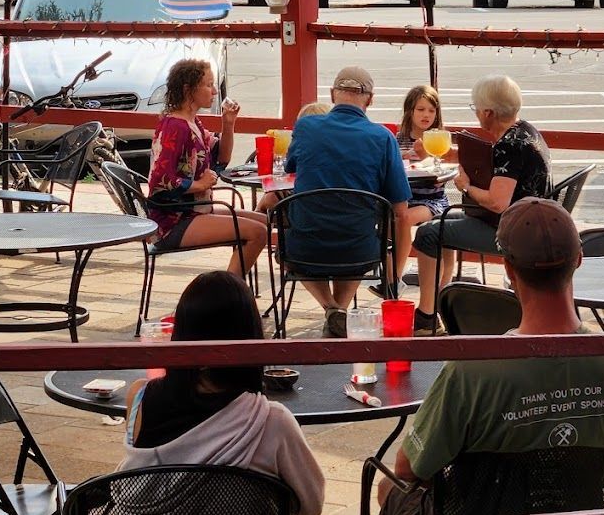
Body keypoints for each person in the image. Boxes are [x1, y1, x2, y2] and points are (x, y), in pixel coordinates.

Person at [377, 198, 604, 515]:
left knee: (389, 486)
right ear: (579, 260)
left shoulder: (471, 372)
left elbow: (410, 468)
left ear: (508, 269)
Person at [121, 271, 325, 515]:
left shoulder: (139, 397)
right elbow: (311, 505)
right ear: (250, 337)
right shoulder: (269, 420)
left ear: (181, 334)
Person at [263, 67, 410, 337]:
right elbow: (401, 212)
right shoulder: (383, 138)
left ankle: (331, 308)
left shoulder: (307, 126)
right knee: (353, 225)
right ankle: (338, 310)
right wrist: (395, 277)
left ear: (332, 95)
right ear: (370, 99)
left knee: (291, 247)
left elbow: (290, 170)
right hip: (361, 251)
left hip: (304, 249)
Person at [411, 74, 550, 334]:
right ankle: (438, 303)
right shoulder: (525, 131)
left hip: (511, 233)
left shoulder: (509, 145)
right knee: (437, 222)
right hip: (534, 224)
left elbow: (498, 203)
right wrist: (450, 154)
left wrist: (466, 187)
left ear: (488, 112)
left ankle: (427, 316)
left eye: (475, 108)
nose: (475, 113)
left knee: (427, 234)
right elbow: (492, 161)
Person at [146, 60, 267, 278]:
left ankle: (232, 287)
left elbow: (221, 159)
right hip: (173, 222)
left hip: (195, 210)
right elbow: (159, 181)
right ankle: (230, 290)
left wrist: (228, 124)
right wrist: (199, 185)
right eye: (208, 85)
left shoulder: (192, 122)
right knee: (257, 232)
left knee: (265, 222)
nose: (214, 91)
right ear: (188, 89)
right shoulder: (176, 127)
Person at [390, 85, 453, 288]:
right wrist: (402, 157)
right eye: (421, 109)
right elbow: (388, 168)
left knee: (404, 217)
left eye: (431, 110)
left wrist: (428, 156)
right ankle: (389, 277)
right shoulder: (397, 140)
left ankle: (396, 280)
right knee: (388, 217)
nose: (426, 115)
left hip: (432, 200)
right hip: (405, 197)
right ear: (410, 111)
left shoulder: (439, 139)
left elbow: (443, 174)